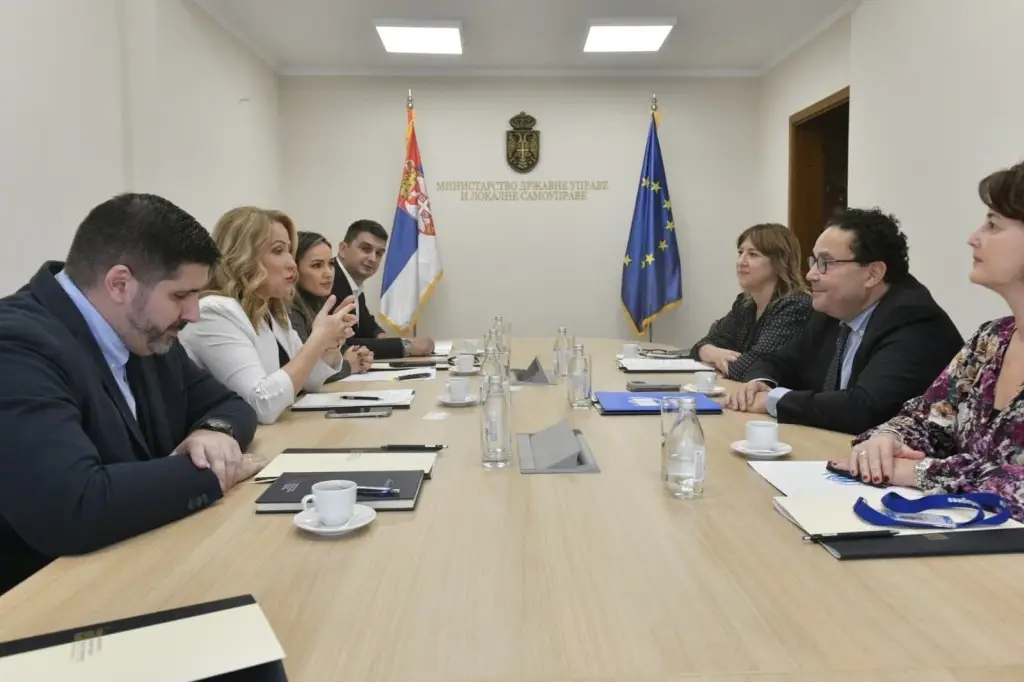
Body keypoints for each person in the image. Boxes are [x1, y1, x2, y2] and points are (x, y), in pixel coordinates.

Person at [0, 193, 261, 595]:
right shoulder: (15, 345)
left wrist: (214, 433)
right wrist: (210, 472)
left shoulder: (143, 331)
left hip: (142, 566)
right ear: (120, 284)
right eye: (181, 296)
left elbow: (229, 406)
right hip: (47, 600)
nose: (194, 314)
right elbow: (72, 506)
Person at [835, 163, 1024, 518]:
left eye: (993, 224)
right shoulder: (990, 340)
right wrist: (888, 440)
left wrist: (920, 471)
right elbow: (927, 418)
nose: (974, 237)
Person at [724, 207, 963, 434]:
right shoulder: (832, 310)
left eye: (825, 264)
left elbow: (865, 407)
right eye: (813, 262)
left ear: (873, 274)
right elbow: (779, 360)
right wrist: (760, 382)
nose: (811, 274)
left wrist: (774, 400)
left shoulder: (914, 321)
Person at [179, 207, 357, 425]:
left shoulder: (271, 310)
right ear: (243, 256)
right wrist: (317, 340)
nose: (292, 263)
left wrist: (329, 344)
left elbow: (310, 381)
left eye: (289, 251)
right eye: (278, 250)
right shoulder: (214, 311)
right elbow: (260, 406)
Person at [691, 223, 811, 379]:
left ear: (779, 262)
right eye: (740, 253)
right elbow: (703, 346)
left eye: (753, 254)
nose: (741, 261)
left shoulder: (795, 306)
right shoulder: (744, 304)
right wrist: (708, 351)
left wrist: (713, 361)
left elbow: (755, 367)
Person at [332, 219, 434, 359]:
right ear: (343, 249)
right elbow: (342, 345)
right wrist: (406, 346)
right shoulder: (329, 279)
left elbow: (366, 324)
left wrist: (380, 335)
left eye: (379, 253)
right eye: (365, 249)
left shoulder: (351, 280)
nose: (373, 258)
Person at [291, 230, 373, 374]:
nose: (328, 273)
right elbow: (305, 373)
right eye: (317, 265)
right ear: (294, 269)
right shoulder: (290, 311)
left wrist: (359, 355)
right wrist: (348, 366)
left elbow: (344, 352)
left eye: (331, 264)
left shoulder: (320, 302)